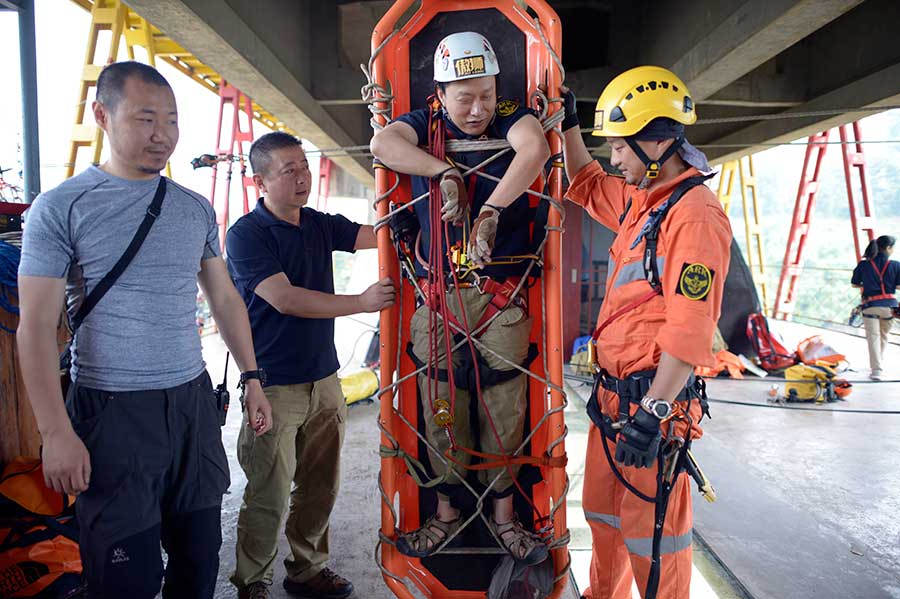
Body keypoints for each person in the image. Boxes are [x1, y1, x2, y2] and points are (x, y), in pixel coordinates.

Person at [16, 61, 272, 599]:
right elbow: (35, 327)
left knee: (199, 562)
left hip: (191, 405)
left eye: (173, 121)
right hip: (112, 411)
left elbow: (223, 297)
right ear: (102, 116)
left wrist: (251, 377)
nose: (163, 135)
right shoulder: (60, 207)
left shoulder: (193, 207)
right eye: (146, 119)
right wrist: (55, 432)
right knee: (125, 577)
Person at [370, 31, 551, 565]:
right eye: (465, 98)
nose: (478, 110)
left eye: (487, 96)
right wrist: (443, 170)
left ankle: (504, 518)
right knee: (440, 403)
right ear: (441, 94)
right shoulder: (423, 123)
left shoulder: (510, 116)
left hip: (501, 296)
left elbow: (535, 147)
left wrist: (490, 210)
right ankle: (446, 515)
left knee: (504, 402)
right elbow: (383, 145)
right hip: (440, 295)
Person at [559, 66, 732, 599]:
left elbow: (689, 332)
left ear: (656, 141)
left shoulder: (693, 216)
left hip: (650, 411)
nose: (614, 159)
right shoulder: (645, 202)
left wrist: (652, 415)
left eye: (620, 148)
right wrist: (567, 125)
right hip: (614, 404)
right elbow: (586, 184)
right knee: (606, 524)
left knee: (655, 544)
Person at [225, 131, 395, 599]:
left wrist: (414, 199)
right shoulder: (246, 235)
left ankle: (307, 570)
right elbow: (285, 299)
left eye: (304, 167)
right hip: (274, 384)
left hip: (325, 379)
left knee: (320, 486)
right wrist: (359, 302)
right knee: (269, 493)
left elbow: (375, 234)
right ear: (261, 181)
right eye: (289, 171)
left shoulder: (316, 223)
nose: (302, 178)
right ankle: (251, 581)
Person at [851, 235, 898, 380]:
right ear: (889, 248)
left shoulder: (864, 264)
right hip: (890, 307)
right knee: (883, 336)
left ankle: (876, 370)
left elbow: (854, 283)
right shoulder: (896, 265)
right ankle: (879, 364)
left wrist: (868, 285)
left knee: (873, 337)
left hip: (870, 306)